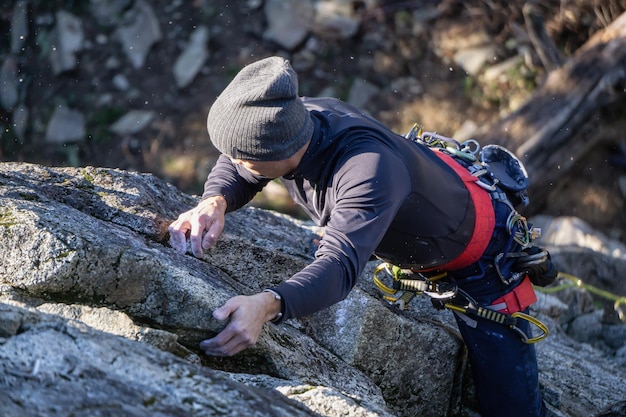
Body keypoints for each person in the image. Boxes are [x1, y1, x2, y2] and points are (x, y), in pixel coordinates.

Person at [168, 56, 557, 417]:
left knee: (509, 406)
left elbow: (339, 269)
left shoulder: (365, 171)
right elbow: (239, 160)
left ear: (277, 147)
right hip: (415, 205)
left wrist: (268, 305)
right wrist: (213, 201)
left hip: (484, 256)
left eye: (241, 157)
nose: (233, 163)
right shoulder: (297, 117)